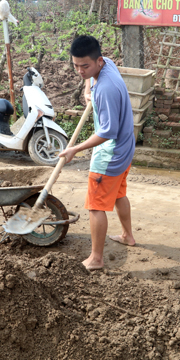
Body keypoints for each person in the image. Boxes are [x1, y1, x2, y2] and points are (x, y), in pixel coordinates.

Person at [59, 35, 136, 270]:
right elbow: (90, 77)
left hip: (110, 153)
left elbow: (107, 132)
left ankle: (96, 258)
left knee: (96, 206)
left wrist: (75, 149)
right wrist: (87, 88)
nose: (80, 71)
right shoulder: (107, 65)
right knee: (118, 194)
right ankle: (127, 236)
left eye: (85, 66)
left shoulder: (106, 90)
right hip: (126, 147)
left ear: (98, 61)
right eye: (76, 66)